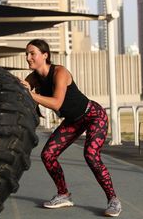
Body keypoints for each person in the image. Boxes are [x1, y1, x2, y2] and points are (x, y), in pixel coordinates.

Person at [20, 39, 122, 217]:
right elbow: (24, 86)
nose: (28, 57)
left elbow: (57, 103)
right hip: (73, 121)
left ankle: (113, 200)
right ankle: (63, 194)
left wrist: (30, 94)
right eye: (26, 54)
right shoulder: (34, 77)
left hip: (93, 115)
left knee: (90, 155)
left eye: (32, 53)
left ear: (45, 55)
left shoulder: (60, 72)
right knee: (47, 155)